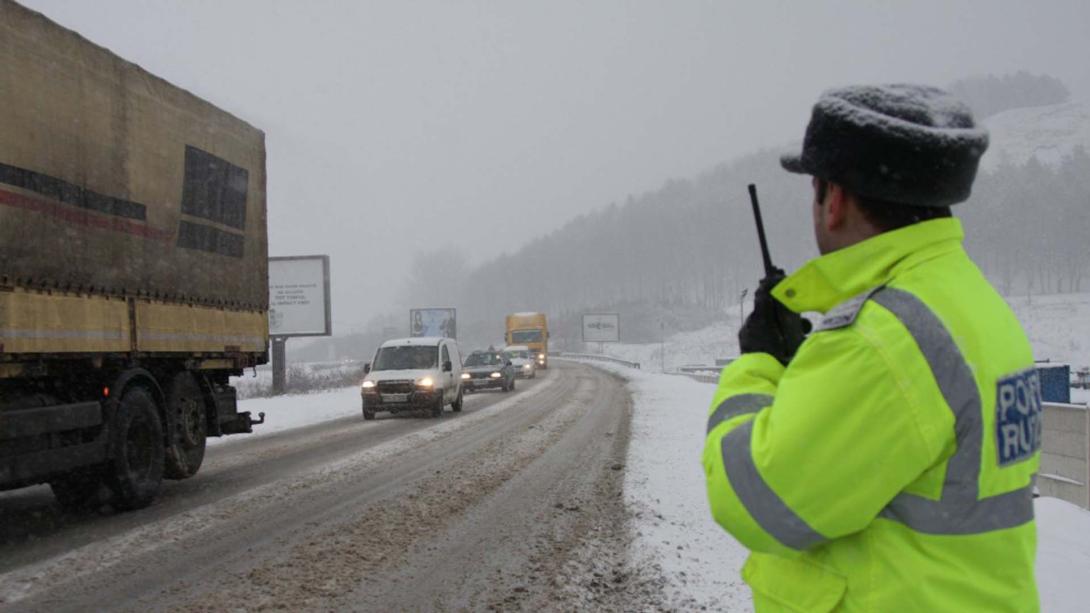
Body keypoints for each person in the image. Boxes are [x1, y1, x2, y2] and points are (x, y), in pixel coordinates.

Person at [703, 84, 1041, 612]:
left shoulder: (881, 341)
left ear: (832, 199)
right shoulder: (965, 301)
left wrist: (757, 364)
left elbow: (756, 501)